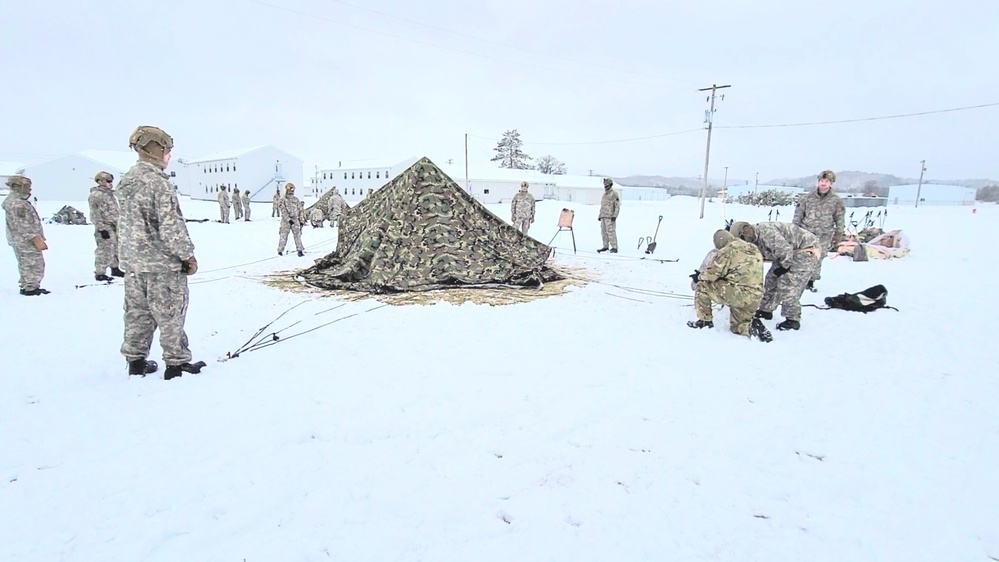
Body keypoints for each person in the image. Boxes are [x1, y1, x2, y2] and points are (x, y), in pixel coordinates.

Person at [117, 125, 205, 379]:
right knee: (170, 315)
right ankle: (176, 364)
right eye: (166, 150)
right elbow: (170, 226)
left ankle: (135, 362)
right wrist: (187, 256)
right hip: (161, 265)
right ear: (155, 148)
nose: (168, 155)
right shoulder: (158, 182)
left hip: (134, 264)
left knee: (137, 314)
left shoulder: (127, 181)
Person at [730, 220, 821, 331]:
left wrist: (784, 268)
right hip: (787, 254)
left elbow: (785, 251)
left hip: (806, 250)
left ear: (745, 232)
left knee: (788, 284)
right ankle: (766, 310)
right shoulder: (753, 239)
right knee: (771, 280)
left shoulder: (767, 233)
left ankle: (793, 319)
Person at [687, 230, 771, 342]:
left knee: (702, 285)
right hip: (755, 295)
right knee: (738, 328)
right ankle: (752, 326)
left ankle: (704, 321)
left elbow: (711, 274)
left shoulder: (727, 250)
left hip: (738, 293)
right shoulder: (752, 248)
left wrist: (699, 277)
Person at [793, 170, 845, 292]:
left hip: (824, 235)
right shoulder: (806, 198)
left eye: (826, 181)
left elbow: (840, 217)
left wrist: (839, 233)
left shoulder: (836, 201)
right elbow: (798, 215)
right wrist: (794, 230)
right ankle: (800, 278)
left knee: (818, 257)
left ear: (831, 183)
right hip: (806, 233)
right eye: (822, 181)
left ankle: (811, 280)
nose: (823, 183)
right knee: (802, 255)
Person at [3, 175, 49, 296]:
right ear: (16, 187)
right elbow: (22, 224)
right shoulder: (16, 204)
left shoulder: (19, 201)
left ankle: (29, 285)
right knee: (32, 263)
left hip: (22, 239)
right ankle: (30, 288)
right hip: (25, 240)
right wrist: (35, 238)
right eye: (26, 186)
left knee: (27, 263)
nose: (29, 189)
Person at [88, 171, 124, 281]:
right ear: (101, 182)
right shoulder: (96, 195)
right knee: (105, 249)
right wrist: (101, 228)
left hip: (115, 225)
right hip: (105, 226)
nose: (110, 183)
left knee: (115, 247)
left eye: (111, 181)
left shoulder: (110, 194)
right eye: (108, 181)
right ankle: (100, 272)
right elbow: (95, 213)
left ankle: (115, 267)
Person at [277, 182, 305, 256]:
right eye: (290, 190)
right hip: (286, 221)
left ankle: (300, 250)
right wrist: (288, 219)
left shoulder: (296, 200)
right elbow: (283, 210)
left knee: (297, 235)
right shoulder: (282, 200)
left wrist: (301, 220)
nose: (291, 192)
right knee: (283, 235)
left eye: (292, 190)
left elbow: (300, 210)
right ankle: (280, 250)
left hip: (295, 220)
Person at [597, 177, 620, 253]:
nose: (605, 186)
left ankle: (614, 247)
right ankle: (605, 246)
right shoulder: (604, 195)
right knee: (603, 232)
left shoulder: (614, 194)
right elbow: (603, 205)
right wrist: (600, 215)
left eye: (607, 185)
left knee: (611, 232)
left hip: (610, 217)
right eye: (605, 185)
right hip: (603, 216)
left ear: (610, 185)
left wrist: (615, 215)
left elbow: (617, 206)